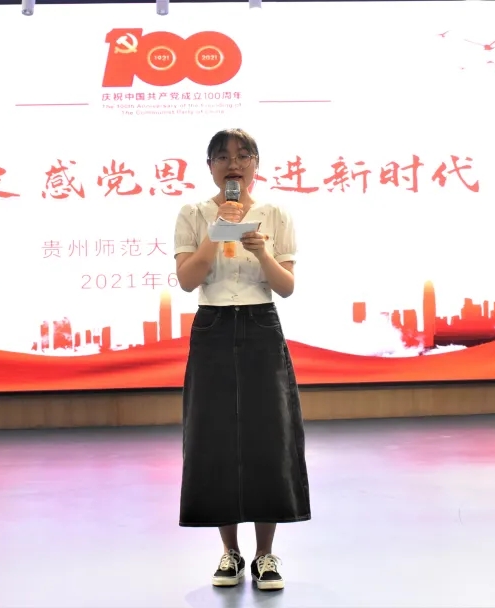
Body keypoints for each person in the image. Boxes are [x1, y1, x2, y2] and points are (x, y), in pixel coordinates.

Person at [172, 128, 311, 591]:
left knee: (268, 436)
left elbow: (286, 286)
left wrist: (262, 251)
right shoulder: (193, 213)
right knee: (214, 437)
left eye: (243, 155)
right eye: (223, 157)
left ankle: (265, 555)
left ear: (255, 164)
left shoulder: (275, 214)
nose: (234, 164)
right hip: (212, 324)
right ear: (210, 166)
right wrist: (217, 233)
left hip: (260, 323)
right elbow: (188, 280)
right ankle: (229, 553)